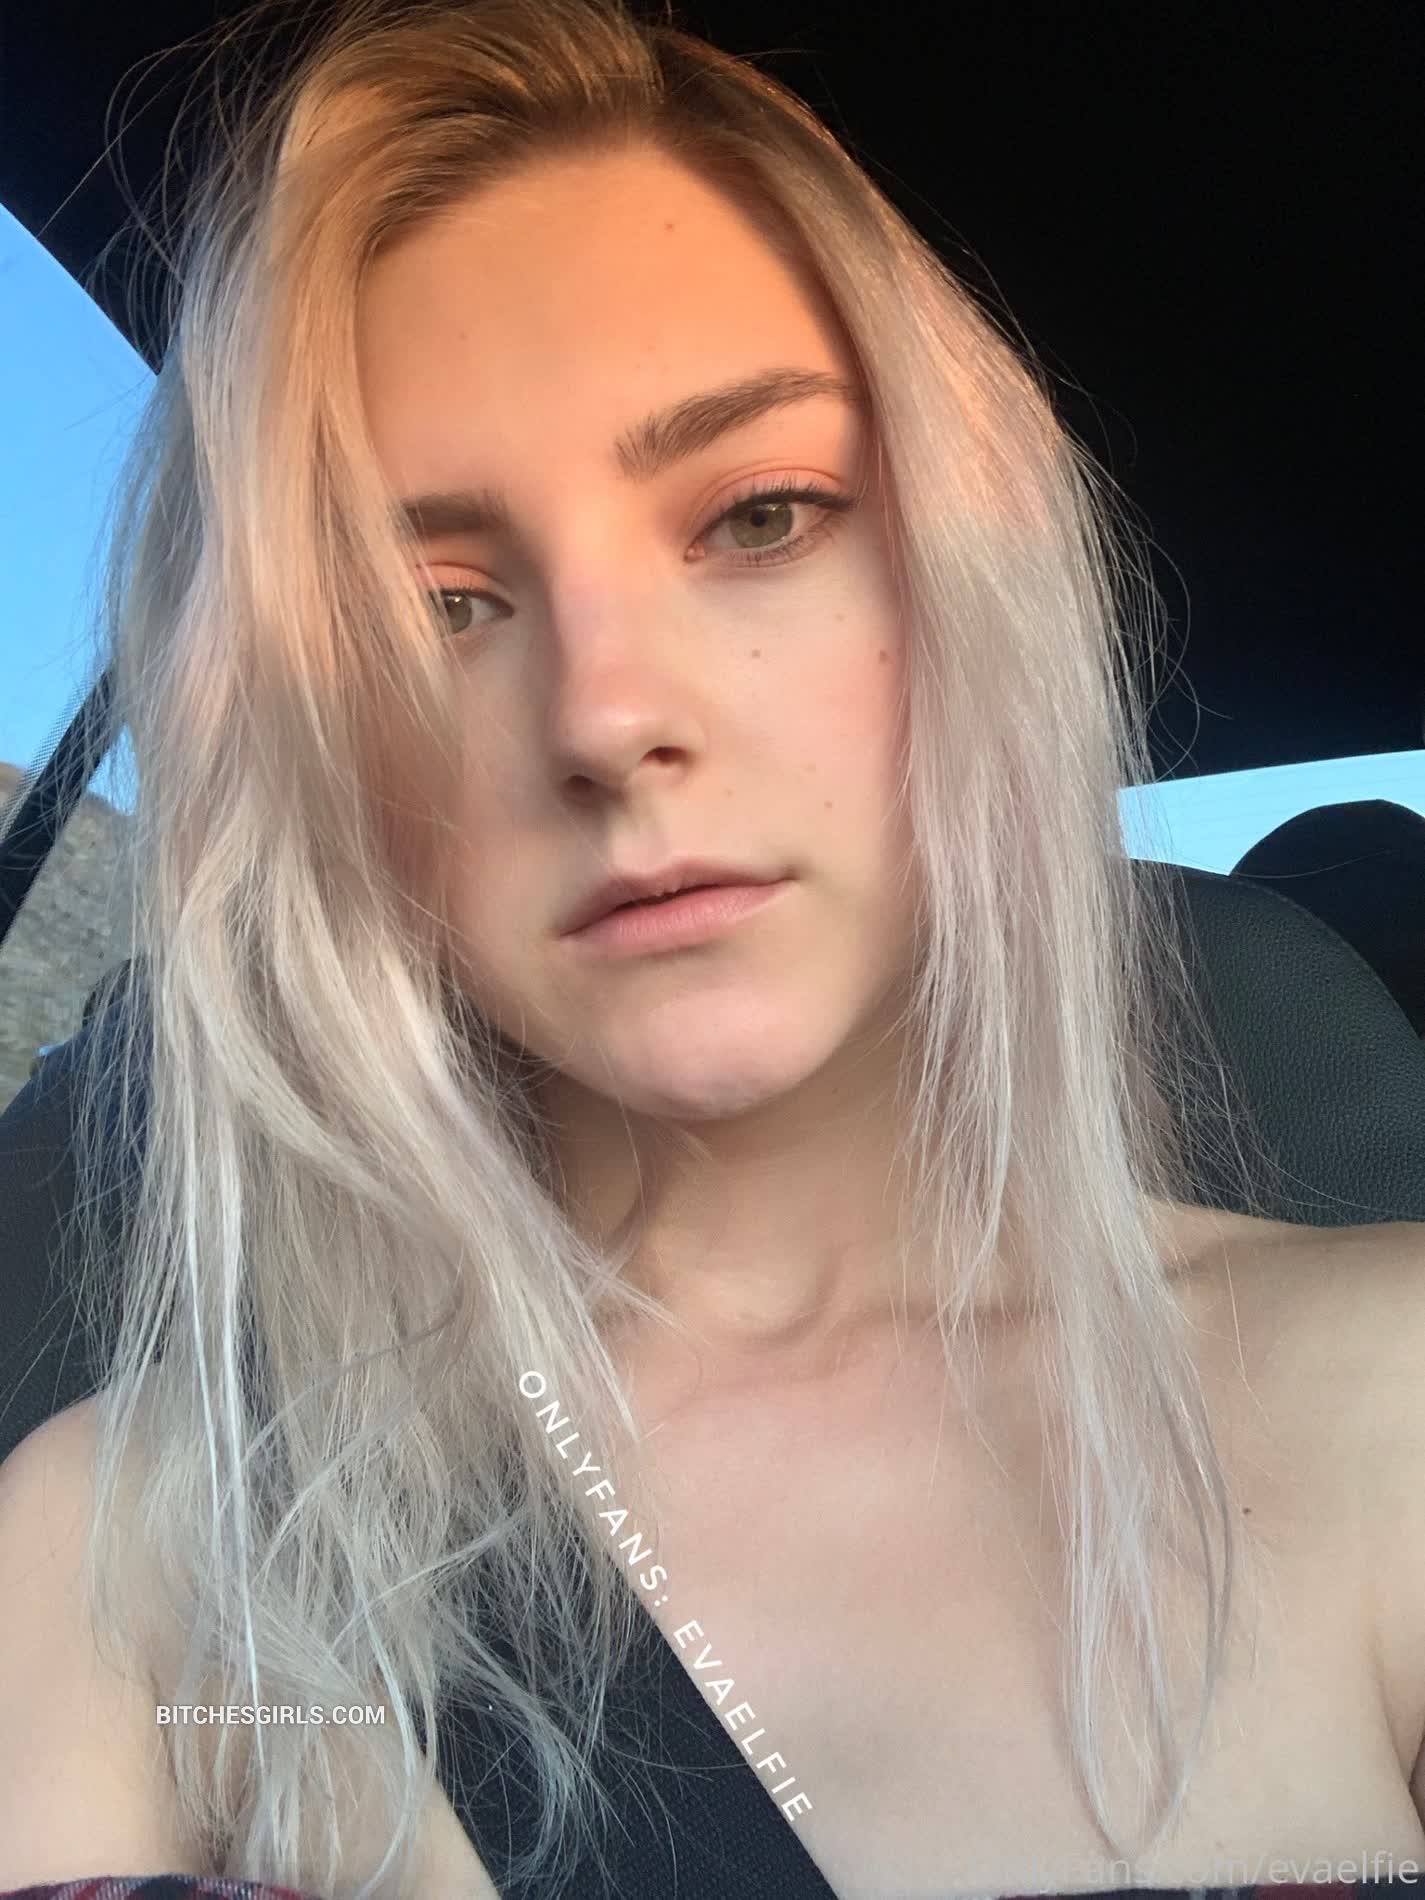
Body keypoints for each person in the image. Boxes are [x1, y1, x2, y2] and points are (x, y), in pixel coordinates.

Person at [2, 0, 1423, 1896]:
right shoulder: (127, 1561)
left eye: (762, 515)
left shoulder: (1399, 1405)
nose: (605, 716)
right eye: (434, 607)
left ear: (973, 576)